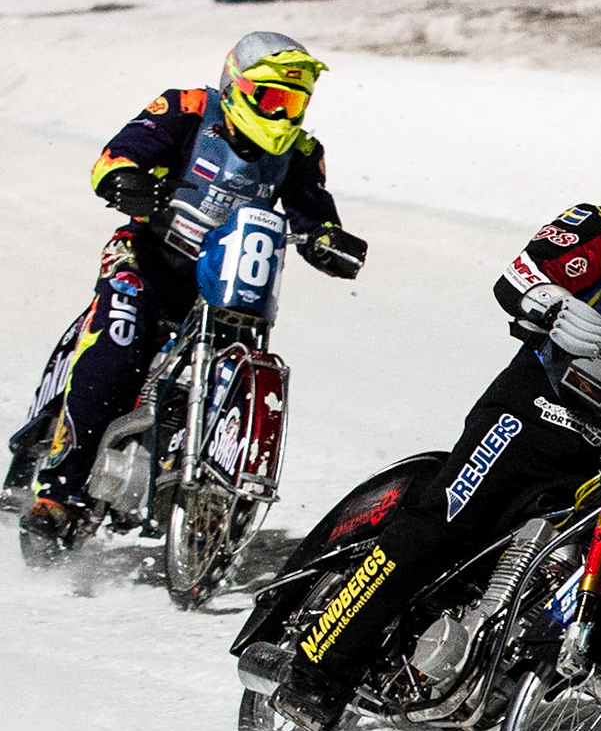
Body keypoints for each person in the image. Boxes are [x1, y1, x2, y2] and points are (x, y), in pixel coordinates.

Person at [268, 139, 601, 731]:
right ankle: (316, 671)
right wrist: (550, 306)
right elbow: (522, 274)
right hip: (535, 407)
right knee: (445, 523)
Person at [12, 31, 365, 546]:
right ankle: (59, 494)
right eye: (273, 99)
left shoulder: (303, 152)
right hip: (147, 262)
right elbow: (118, 155)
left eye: (296, 103)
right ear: (237, 87)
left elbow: (313, 216)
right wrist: (126, 179)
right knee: (115, 353)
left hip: (228, 288)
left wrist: (329, 241)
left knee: (238, 357)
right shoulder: (188, 109)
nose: (284, 115)